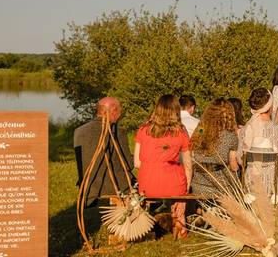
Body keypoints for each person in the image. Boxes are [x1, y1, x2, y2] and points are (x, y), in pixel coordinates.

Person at [134, 94, 193, 239]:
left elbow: (137, 163)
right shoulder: (181, 132)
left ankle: (148, 227)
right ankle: (180, 223)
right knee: (180, 186)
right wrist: (187, 186)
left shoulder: (143, 130)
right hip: (174, 185)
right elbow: (188, 165)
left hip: (147, 185)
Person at [73, 96, 134, 206]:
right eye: (119, 111)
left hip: (89, 188)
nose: (120, 115)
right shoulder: (117, 131)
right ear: (113, 111)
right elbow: (127, 164)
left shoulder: (79, 131)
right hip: (115, 188)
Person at [241, 88, 278, 196]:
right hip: (276, 183)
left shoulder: (246, 129)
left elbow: (240, 159)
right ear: (270, 106)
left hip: (251, 183)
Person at [190, 99, 240, 197]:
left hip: (198, 186)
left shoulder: (200, 131)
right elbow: (233, 167)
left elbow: (192, 149)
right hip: (221, 187)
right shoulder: (230, 136)